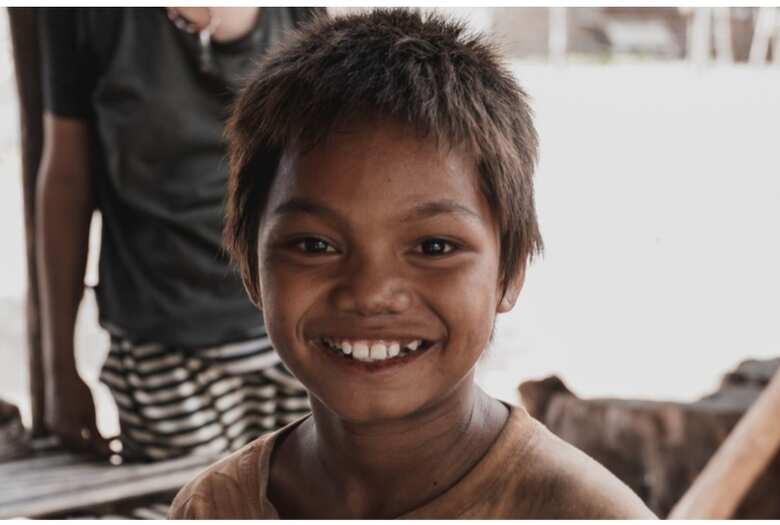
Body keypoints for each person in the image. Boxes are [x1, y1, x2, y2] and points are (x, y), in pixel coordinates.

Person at [169, 9, 657, 519]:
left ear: (509, 271)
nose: (371, 292)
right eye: (315, 245)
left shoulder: (581, 513)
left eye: (434, 248)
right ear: (250, 265)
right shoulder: (216, 506)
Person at [36, 7, 321, 462]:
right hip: (162, 355)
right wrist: (59, 368)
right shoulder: (85, 16)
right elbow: (67, 182)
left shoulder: (297, 13)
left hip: (296, 337)